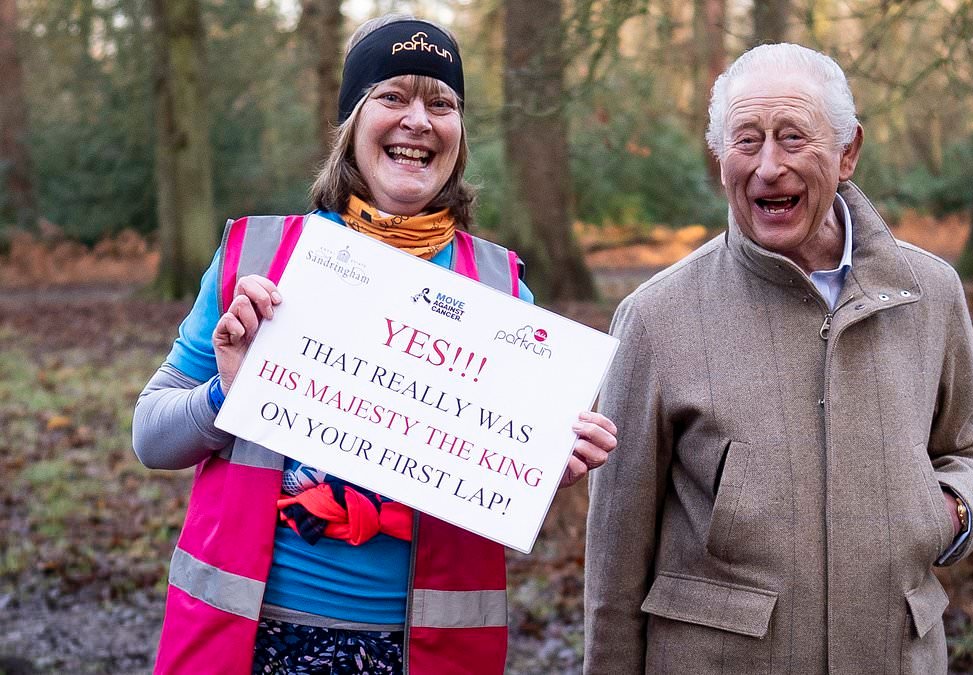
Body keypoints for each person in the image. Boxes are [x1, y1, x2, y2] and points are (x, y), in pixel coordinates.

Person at [132, 15, 617, 675]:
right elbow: (151, 438)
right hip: (250, 643)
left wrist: (545, 464)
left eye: (441, 103)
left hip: (422, 653)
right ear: (352, 123)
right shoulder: (260, 258)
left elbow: (501, 472)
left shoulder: (501, 291)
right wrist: (228, 393)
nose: (418, 120)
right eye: (393, 96)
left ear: (459, 134)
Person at [583, 43, 973, 674]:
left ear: (847, 152)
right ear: (720, 158)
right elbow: (615, 561)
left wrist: (946, 511)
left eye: (792, 138)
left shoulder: (930, 292)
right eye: (746, 141)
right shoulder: (655, 317)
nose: (768, 167)